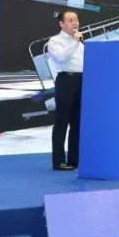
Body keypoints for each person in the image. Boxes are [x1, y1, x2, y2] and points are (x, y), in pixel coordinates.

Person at [47, 9, 83, 171]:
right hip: (66, 80)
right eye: (71, 20)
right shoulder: (55, 41)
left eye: (76, 19)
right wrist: (74, 42)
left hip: (81, 80)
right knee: (62, 121)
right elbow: (61, 57)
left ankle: (75, 159)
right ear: (61, 24)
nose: (75, 23)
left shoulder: (80, 42)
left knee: (78, 122)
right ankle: (59, 161)